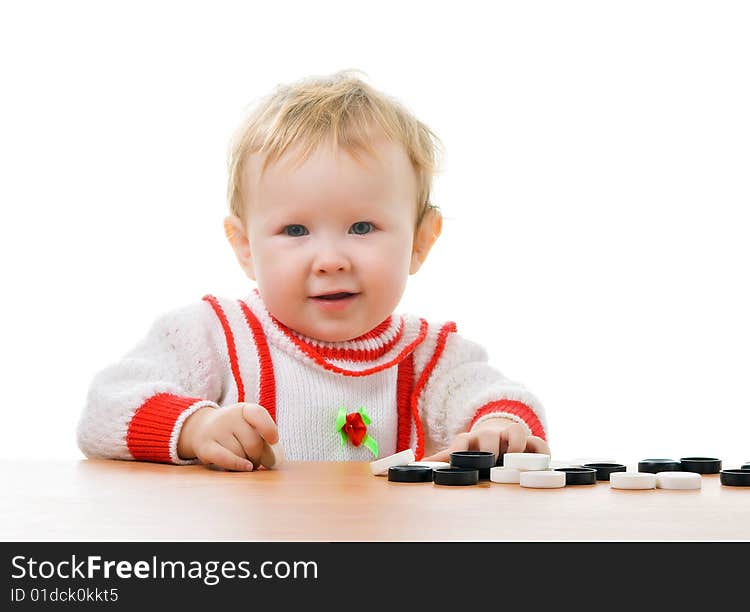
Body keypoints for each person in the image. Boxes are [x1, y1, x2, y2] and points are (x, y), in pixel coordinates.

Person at [76, 70, 549, 472]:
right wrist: (195, 427)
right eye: (295, 229)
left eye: (362, 226)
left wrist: (500, 430)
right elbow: (106, 407)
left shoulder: (431, 357)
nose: (330, 260)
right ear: (244, 246)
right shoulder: (215, 336)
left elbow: (500, 399)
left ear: (421, 241)